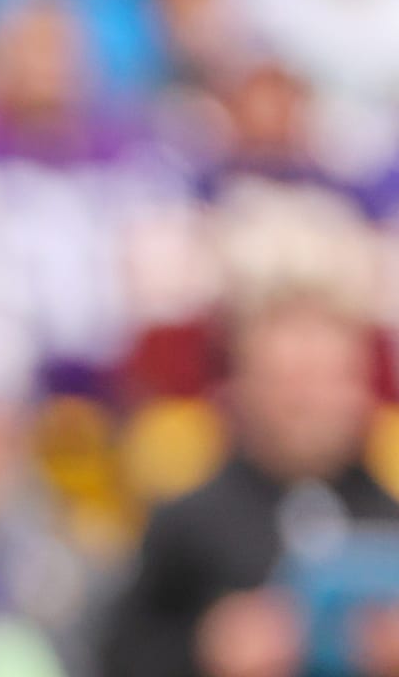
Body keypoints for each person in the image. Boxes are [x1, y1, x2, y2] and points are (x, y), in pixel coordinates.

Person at [101, 288, 399, 677]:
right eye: (287, 381)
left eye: (329, 380)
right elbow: (116, 652)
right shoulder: (188, 523)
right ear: (240, 388)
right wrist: (204, 645)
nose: (308, 403)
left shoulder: (390, 517)